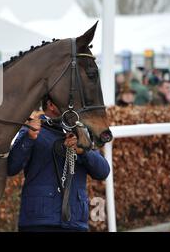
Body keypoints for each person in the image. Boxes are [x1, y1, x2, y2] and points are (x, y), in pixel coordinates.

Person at [7, 95, 110, 232]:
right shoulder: (31, 130)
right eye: (69, 101)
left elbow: (103, 171)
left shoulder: (82, 132)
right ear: (51, 105)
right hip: (38, 222)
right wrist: (29, 138)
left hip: (75, 222)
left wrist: (84, 152)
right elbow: (11, 167)